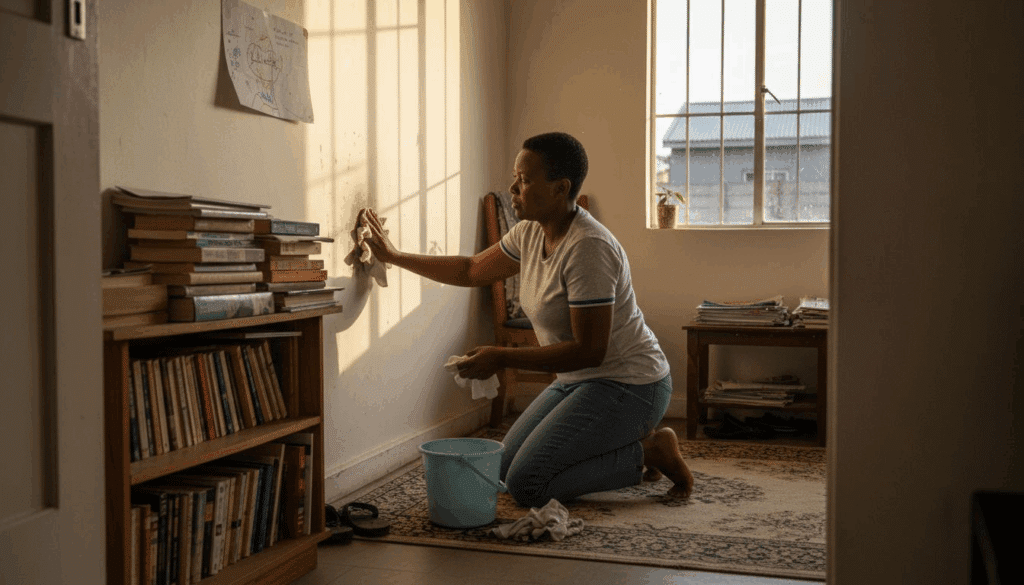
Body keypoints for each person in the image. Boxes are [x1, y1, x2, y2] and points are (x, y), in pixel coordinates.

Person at [361, 131, 693, 507]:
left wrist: (501, 357)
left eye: (524, 179)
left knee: (528, 484)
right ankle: (627, 448)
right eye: (515, 178)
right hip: (576, 381)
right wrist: (394, 256)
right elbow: (471, 271)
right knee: (503, 469)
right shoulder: (529, 232)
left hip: (630, 384)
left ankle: (649, 453)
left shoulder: (588, 248)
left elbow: (590, 352)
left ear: (559, 188)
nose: (512, 187)